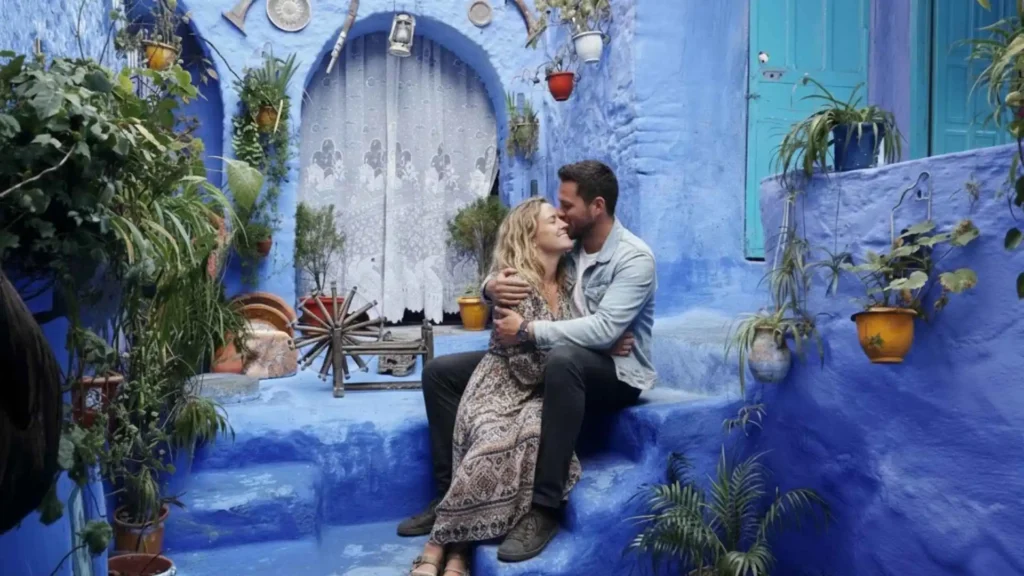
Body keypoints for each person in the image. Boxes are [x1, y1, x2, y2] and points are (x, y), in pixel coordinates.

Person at [399, 160, 657, 566]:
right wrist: (489, 288)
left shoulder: (633, 259)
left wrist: (528, 330)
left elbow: (604, 329)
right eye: (557, 209)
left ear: (598, 207)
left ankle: (545, 507)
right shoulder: (571, 251)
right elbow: (523, 260)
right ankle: (449, 496)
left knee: (564, 361)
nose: (562, 215)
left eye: (567, 207)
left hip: (616, 372)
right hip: (556, 357)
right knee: (440, 374)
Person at [406, 198, 577, 576]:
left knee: (531, 435)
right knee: (488, 438)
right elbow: (528, 366)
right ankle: (446, 548)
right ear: (531, 236)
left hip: (539, 391)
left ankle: (452, 547)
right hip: (504, 386)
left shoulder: (571, 276)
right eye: (554, 219)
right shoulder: (514, 285)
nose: (564, 223)